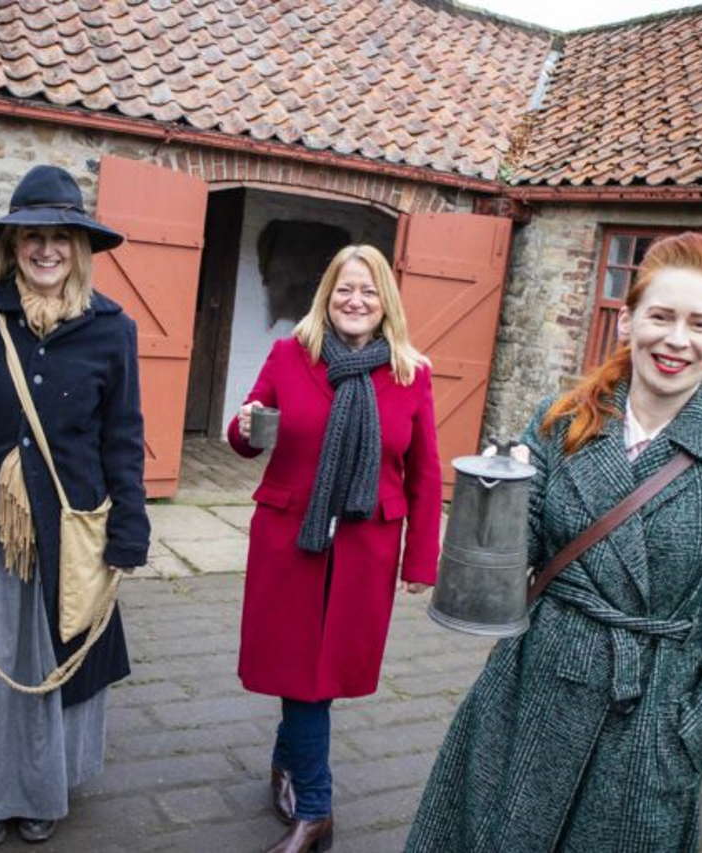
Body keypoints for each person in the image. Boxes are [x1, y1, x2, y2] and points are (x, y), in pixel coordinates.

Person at [407, 232, 702, 852]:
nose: (676, 340)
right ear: (628, 322)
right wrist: (496, 496)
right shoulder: (562, 422)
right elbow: (511, 561)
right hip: (529, 698)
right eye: (661, 317)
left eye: (700, 323)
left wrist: (695, 733)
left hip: (649, 726)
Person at [0, 165, 149, 848]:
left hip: (67, 532)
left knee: (52, 668)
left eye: (60, 238)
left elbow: (122, 436)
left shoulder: (113, 330)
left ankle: (40, 790)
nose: (46, 250)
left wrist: (129, 524)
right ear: (10, 247)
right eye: (31, 237)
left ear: (80, 248)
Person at [229, 244, 443, 853]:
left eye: (369, 291)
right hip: (289, 539)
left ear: (386, 305)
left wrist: (420, 562)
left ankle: (288, 766)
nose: (356, 301)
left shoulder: (411, 373)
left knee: (316, 676)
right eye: (345, 289)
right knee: (300, 673)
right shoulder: (289, 356)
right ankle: (316, 812)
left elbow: (426, 475)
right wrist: (244, 427)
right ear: (327, 294)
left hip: (364, 547)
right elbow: (248, 431)